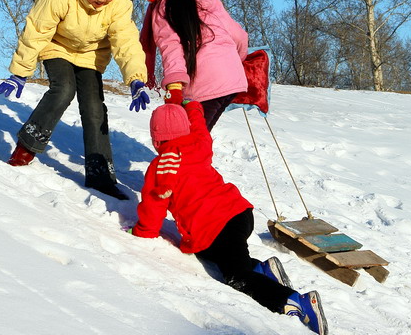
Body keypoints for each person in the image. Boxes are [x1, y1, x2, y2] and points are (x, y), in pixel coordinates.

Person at [129, 103, 328, 335]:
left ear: (155, 140)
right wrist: (192, 106)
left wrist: (142, 231)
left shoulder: (160, 169)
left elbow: (153, 209)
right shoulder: (199, 144)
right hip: (239, 214)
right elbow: (201, 125)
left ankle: (297, 303)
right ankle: (263, 269)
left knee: (237, 277)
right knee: (208, 252)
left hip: (217, 227)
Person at [0, 0, 150, 200]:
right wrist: (20, 72)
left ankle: (101, 174)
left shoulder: (120, 5)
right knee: (63, 89)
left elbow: (126, 42)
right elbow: (36, 32)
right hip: (57, 47)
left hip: (91, 57)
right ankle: (27, 146)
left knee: (94, 107)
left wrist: (135, 78)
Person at [138, 0, 248, 131]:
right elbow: (238, 35)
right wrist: (235, 62)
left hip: (203, 84)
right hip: (231, 78)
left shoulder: (164, 5)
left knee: (187, 144)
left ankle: (191, 161)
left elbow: (171, 46)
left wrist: (174, 85)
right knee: (198, 139)